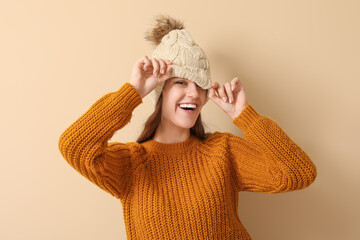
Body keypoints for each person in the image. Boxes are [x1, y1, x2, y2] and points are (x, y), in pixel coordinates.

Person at [58, 14, 317, 239]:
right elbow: (74, 145)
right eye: (180, 83)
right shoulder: (131, 163)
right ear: (159, 92)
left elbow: (297, 173)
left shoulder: (223, 152)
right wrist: (133, 92)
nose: (194, 93)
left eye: (200, 85)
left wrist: (244, 115)